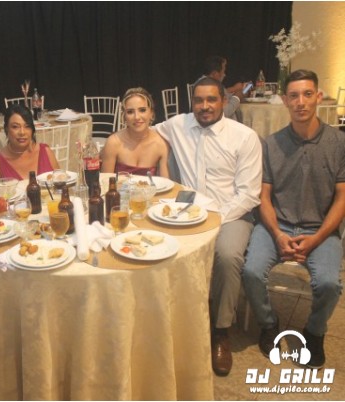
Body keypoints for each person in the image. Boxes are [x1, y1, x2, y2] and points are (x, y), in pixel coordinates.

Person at [155, 76, 262, 376]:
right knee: (159, 247)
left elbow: (249, 194)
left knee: (227, 256)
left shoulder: (244, 137)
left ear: (224, 101)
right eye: (199, 100)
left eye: (211, 99)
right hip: (188, 210)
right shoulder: (178, 125)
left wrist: (214, 220)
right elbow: (142, 132)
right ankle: (172, 322)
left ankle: (221, 330)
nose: (204, 106)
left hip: (232, 213)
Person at [241, 70, 345, 369]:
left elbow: (342, 197)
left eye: (307, 94)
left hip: (320, 228)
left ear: (318, 97)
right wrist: (277, 234)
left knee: (329, 283)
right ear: (285, 100)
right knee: (250, 271)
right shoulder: (271, 144)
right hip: (277, 224)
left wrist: (317, 238)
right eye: (294, 96)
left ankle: (314, 332)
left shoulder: (338, 142)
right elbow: (264, 196)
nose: (301, 102)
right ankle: (268, 323)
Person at [100, 87, 169, 177]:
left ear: (151, 113)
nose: (137, 117)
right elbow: (105, 182)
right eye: (130, 112)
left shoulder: (161, 145)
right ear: (124, 117)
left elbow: (165, 183)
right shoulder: (113, 142)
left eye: (142, 110)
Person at [0, 104, 59, 180]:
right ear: (6, 129)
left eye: (27, 126)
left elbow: (61, 182)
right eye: (15, 127)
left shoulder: (46, 151)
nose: (22, 132)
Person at [201, 56, 248, 121]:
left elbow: (227, 97)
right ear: (215, 73)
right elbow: (224, 113)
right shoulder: (206, 87)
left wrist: (240, 93)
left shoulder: (212, 83)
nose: (224, 75)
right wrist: (237, 97)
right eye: (223, 71)